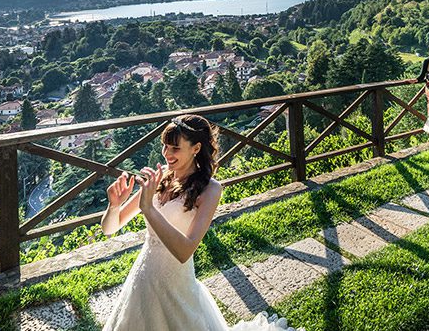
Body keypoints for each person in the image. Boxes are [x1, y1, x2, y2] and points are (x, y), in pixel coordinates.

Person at [100, 114, 299, 330]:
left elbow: (185, 251)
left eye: (175, 148)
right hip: (143, 277)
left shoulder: (211, 189)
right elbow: (110, 228)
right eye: (165, 146)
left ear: (196, 148)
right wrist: (114, 205)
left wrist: (148, 209)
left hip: (176, 283)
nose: (167, 154)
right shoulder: (160, 179)